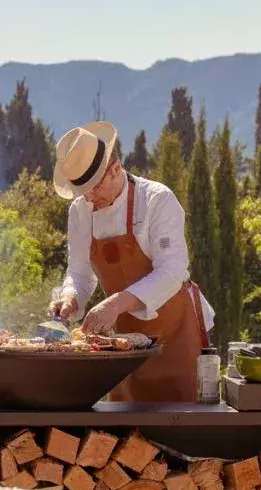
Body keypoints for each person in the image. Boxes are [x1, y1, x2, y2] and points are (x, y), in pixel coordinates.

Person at [49, 121, 214, 402]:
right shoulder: (80, 210)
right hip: (123, 346)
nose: (89, 198)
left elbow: (173, 271)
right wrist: (70, 297)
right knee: (125, 436)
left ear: (115, 169)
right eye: (82, 191)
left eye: (94, 187)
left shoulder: (157, 200)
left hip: (176, 336)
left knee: (183, 425)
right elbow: (78, 272)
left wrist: (114, 303)